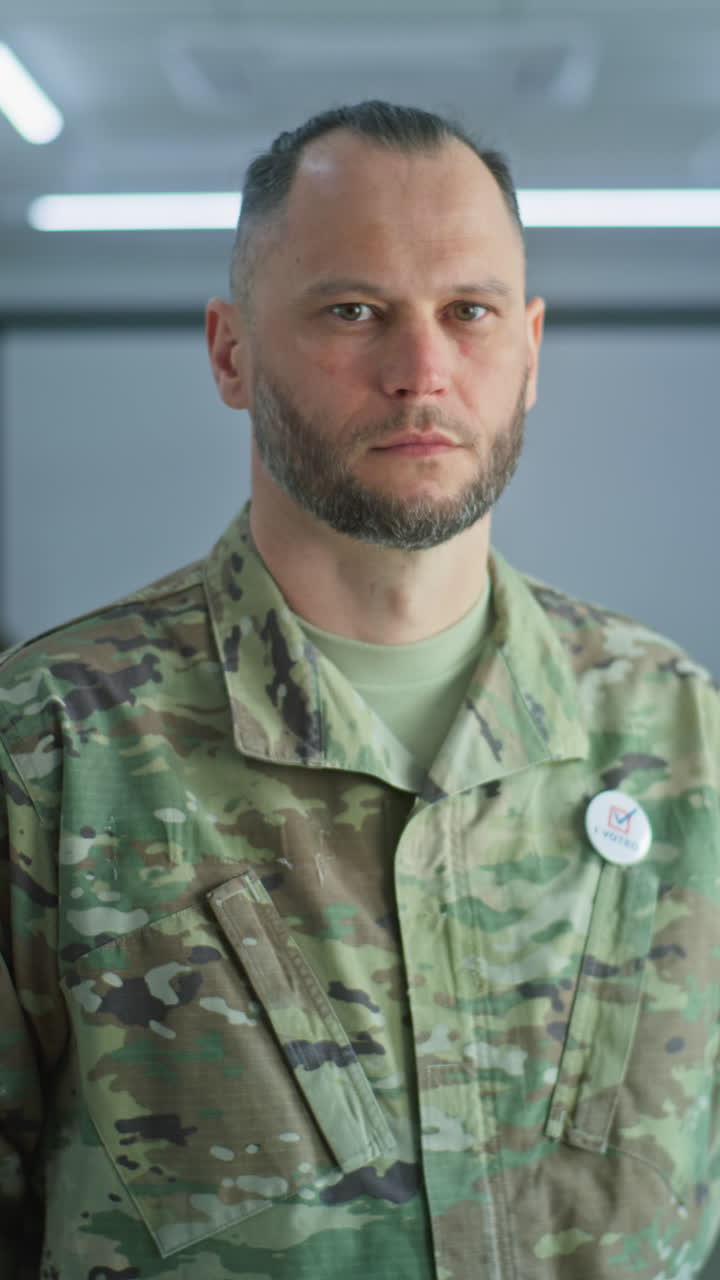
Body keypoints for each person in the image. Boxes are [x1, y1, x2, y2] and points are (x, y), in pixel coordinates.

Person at [1, 100, 718, 1280]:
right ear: (231, 353)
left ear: (531, 350)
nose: (421, 371)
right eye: (353, 311)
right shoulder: (53, 744)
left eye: (470, 312)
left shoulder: (677, 727)